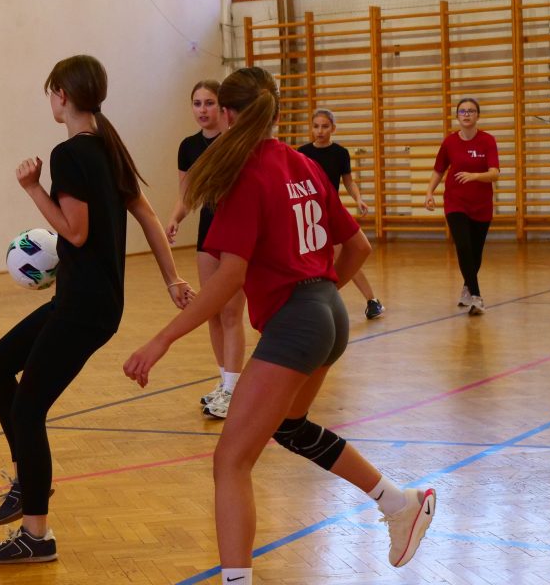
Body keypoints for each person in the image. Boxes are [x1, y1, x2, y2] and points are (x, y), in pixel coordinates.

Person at [123, 67, 435, 584]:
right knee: (290, 427)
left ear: (227, 114)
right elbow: (358, 247)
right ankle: (399, 503)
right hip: (328, 314)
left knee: (230, 462)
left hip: (298, 323)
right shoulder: (303, 164)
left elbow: (229, 278)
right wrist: (317, 296)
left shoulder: (245, 176)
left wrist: (162, 339)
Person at [0, 55, 192, 564]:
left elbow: (74, 232)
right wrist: (172, 278)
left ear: (63, 95)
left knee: (28, 409)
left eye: (50, 92)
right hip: (86, 302)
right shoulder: (108, 146)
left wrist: (32, 188)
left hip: (83, 307)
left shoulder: (71, 153)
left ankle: (37, 534)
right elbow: (148, 215)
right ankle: (27, 481)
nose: (50, 101)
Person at [165, 80, 246, 418]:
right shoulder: (188, 147)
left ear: (222, 107)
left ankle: (234, 389)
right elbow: (188, 194)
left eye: (209, 103)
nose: (203, 109)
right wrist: (175, 218)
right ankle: (224, 382)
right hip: (207, 232)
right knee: (212, 311)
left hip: (237, 232)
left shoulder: (236, 142)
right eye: (197, 103)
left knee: (231, 313)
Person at [298, 109, 386, 320]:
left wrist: (358, 199)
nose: (320, 131)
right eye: (316, 126)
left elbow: (348, 181)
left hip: (331, 212)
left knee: (344, 256)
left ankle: (372, 301)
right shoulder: (301, 153)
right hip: (309, 213)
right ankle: (309, 302)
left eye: (325, 126)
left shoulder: (340, 153)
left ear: (333, 128)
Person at [425, 97, 500, 315]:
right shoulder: (449, 142)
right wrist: (429, 192)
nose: (466, 114)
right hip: (455, 202)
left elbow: (495, 173)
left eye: (471, 111)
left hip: (481, 205)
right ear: (457, 116)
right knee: (464, 246)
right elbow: (439, 170)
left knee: (475, 253)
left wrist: (475, 176)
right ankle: (476, 296)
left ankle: (467, 289)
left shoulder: (487, 140)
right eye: (462, 111)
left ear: (478, 115)